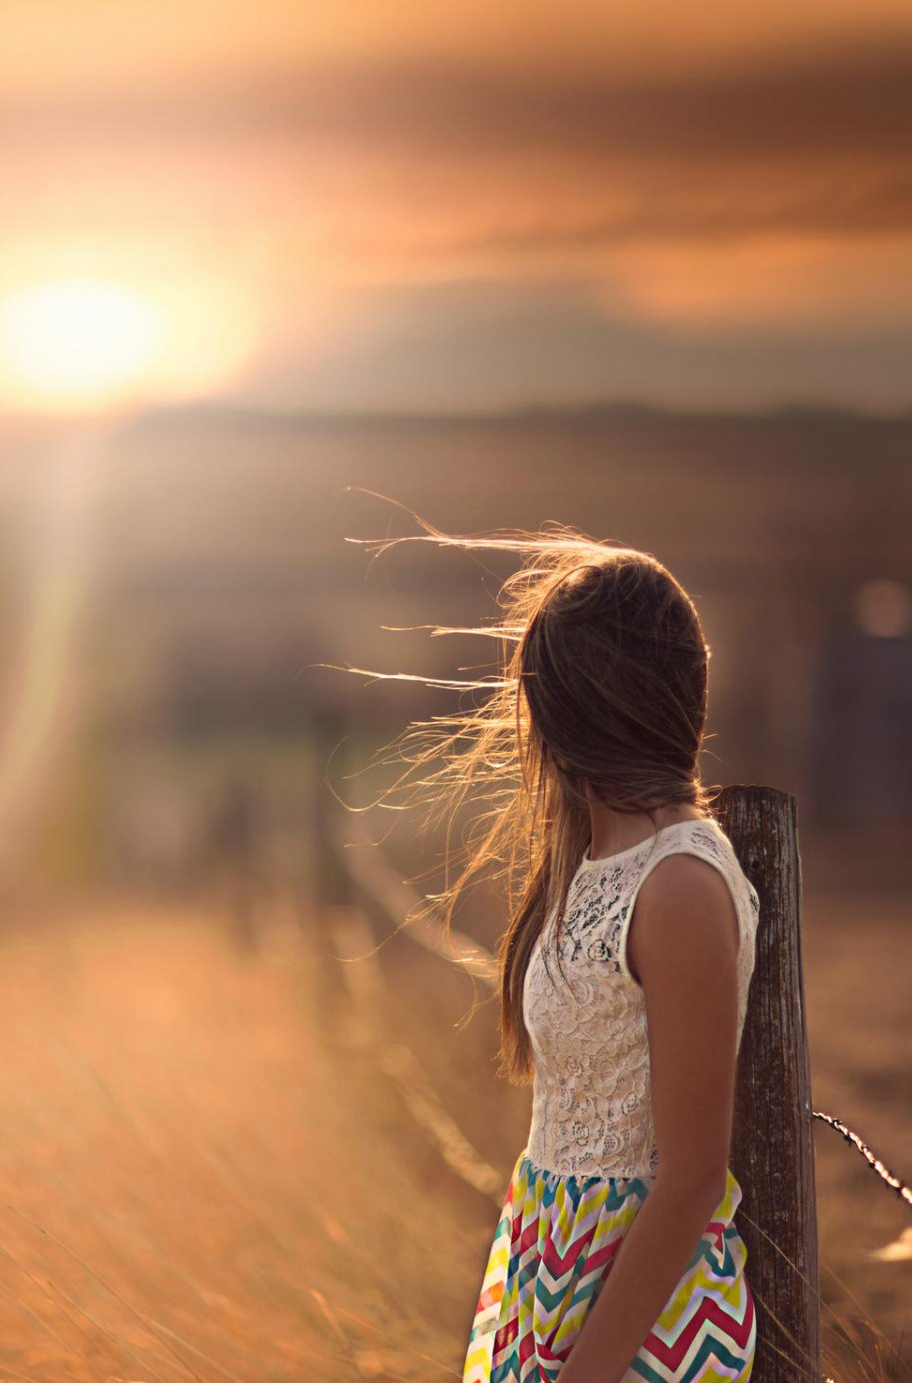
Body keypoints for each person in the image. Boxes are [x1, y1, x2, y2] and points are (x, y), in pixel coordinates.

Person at [367, 524, 761, 1383]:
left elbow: (693, 1175)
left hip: (640, 1318)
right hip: (555, 1277)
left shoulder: (680, 885)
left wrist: (587, 1370)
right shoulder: (594, 862)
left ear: (569, 715)